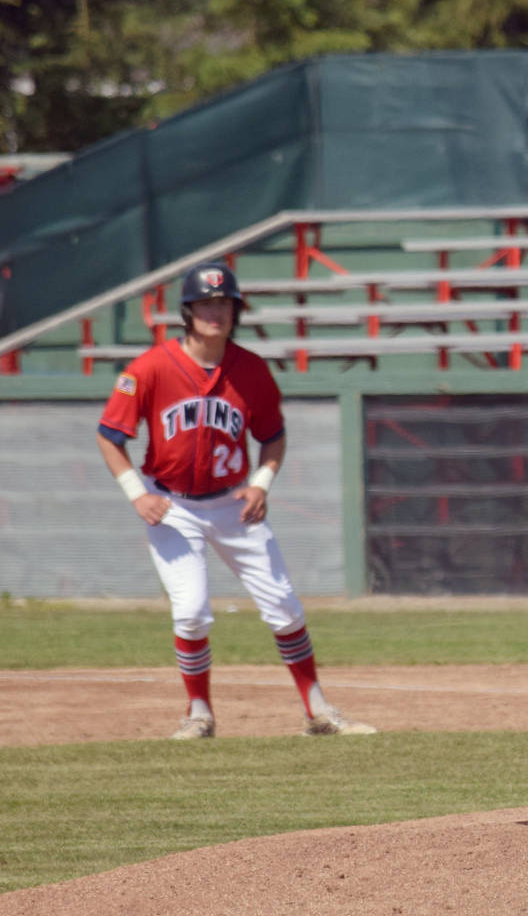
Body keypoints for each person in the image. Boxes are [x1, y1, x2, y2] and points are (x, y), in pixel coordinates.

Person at [95, 262, 375, 740]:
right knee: (191, 610)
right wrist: (136, 494)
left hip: (233, 504)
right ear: (188, 310)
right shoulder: (150, 368)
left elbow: (273, 436)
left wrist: (262, 481)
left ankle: (317, 709)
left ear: (236, 310)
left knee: (285, 607)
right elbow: (109, 436)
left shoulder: (250, 370)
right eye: (206, 302)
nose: (215, 311)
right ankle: (198, 712)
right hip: (172, 505)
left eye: (224, 302)